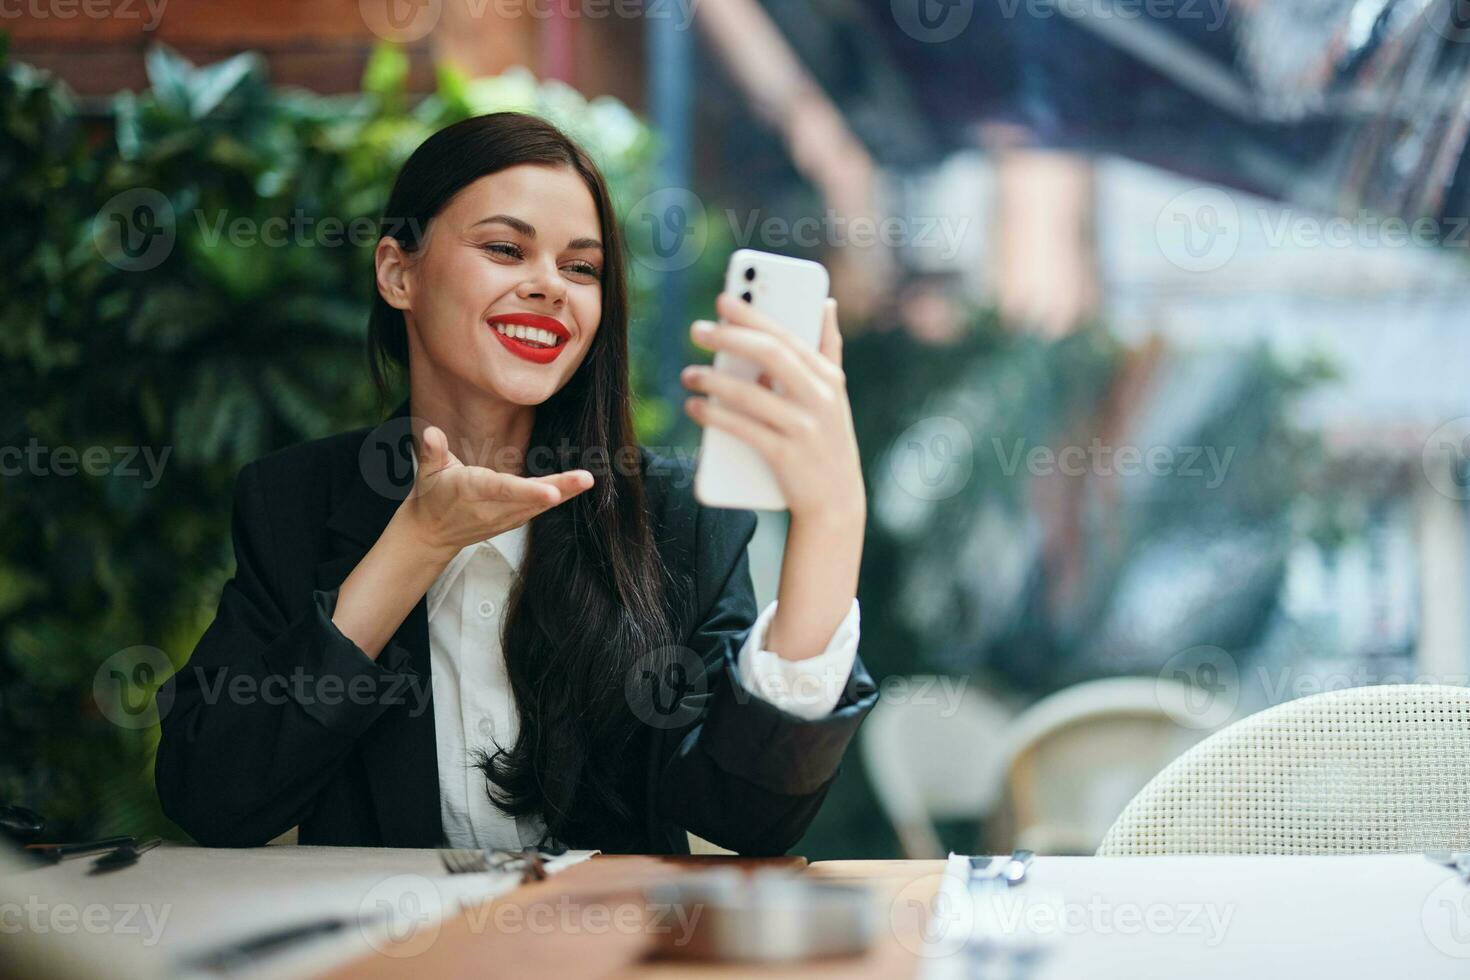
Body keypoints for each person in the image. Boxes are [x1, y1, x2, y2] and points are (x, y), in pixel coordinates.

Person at [155, 112, 876, 855]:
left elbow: (748, 817)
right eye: (506, 248)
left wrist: (833, 517)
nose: (550, 288)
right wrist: (413, 547)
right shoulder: (295, 502)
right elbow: (211, 797)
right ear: (398, 273)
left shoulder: (671, 515)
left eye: (582, 268)